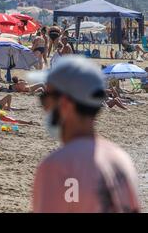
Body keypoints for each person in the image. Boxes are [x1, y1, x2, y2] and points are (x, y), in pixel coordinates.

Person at [32, 56, 140, 213]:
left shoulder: (58, 165)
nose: (44, 108)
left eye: (44, 98)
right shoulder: (121, 159)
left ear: (65, 104)